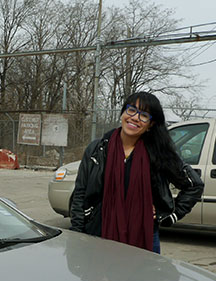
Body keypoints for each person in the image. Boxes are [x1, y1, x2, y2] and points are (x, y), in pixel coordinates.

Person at [69, 92, 203, 253]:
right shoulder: (97, 149)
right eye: (131, 110)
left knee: (142, 277)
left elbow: (194, 185)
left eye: (144, 115)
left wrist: (169, 215)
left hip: (143, 234)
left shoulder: (158, 152)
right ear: (123, 112)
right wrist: (77, 231)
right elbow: (80, 193)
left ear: (151, 124)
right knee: (98, 278)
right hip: (99, 231)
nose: (135, 118)